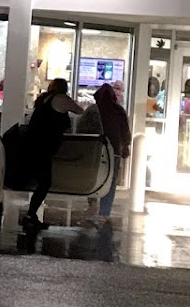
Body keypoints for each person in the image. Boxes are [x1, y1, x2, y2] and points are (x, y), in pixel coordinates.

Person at [21, 78, 84, 230]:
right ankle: (30, 215)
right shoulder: (61, 99)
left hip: (33, 144)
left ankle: (31, 215)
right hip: (43, 146)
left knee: (41, 181)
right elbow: (79, 111)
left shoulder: (45, 99)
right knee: (45, 183)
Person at [89, 82, 132, 223]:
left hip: (95, 150)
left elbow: (85, 127)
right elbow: (125, 131)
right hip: (114, 151)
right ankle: (104, 211)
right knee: (111, 181)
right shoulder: (119, 110)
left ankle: (92, 203)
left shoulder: (94, 110)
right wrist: (126, 146)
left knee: (93, 177)